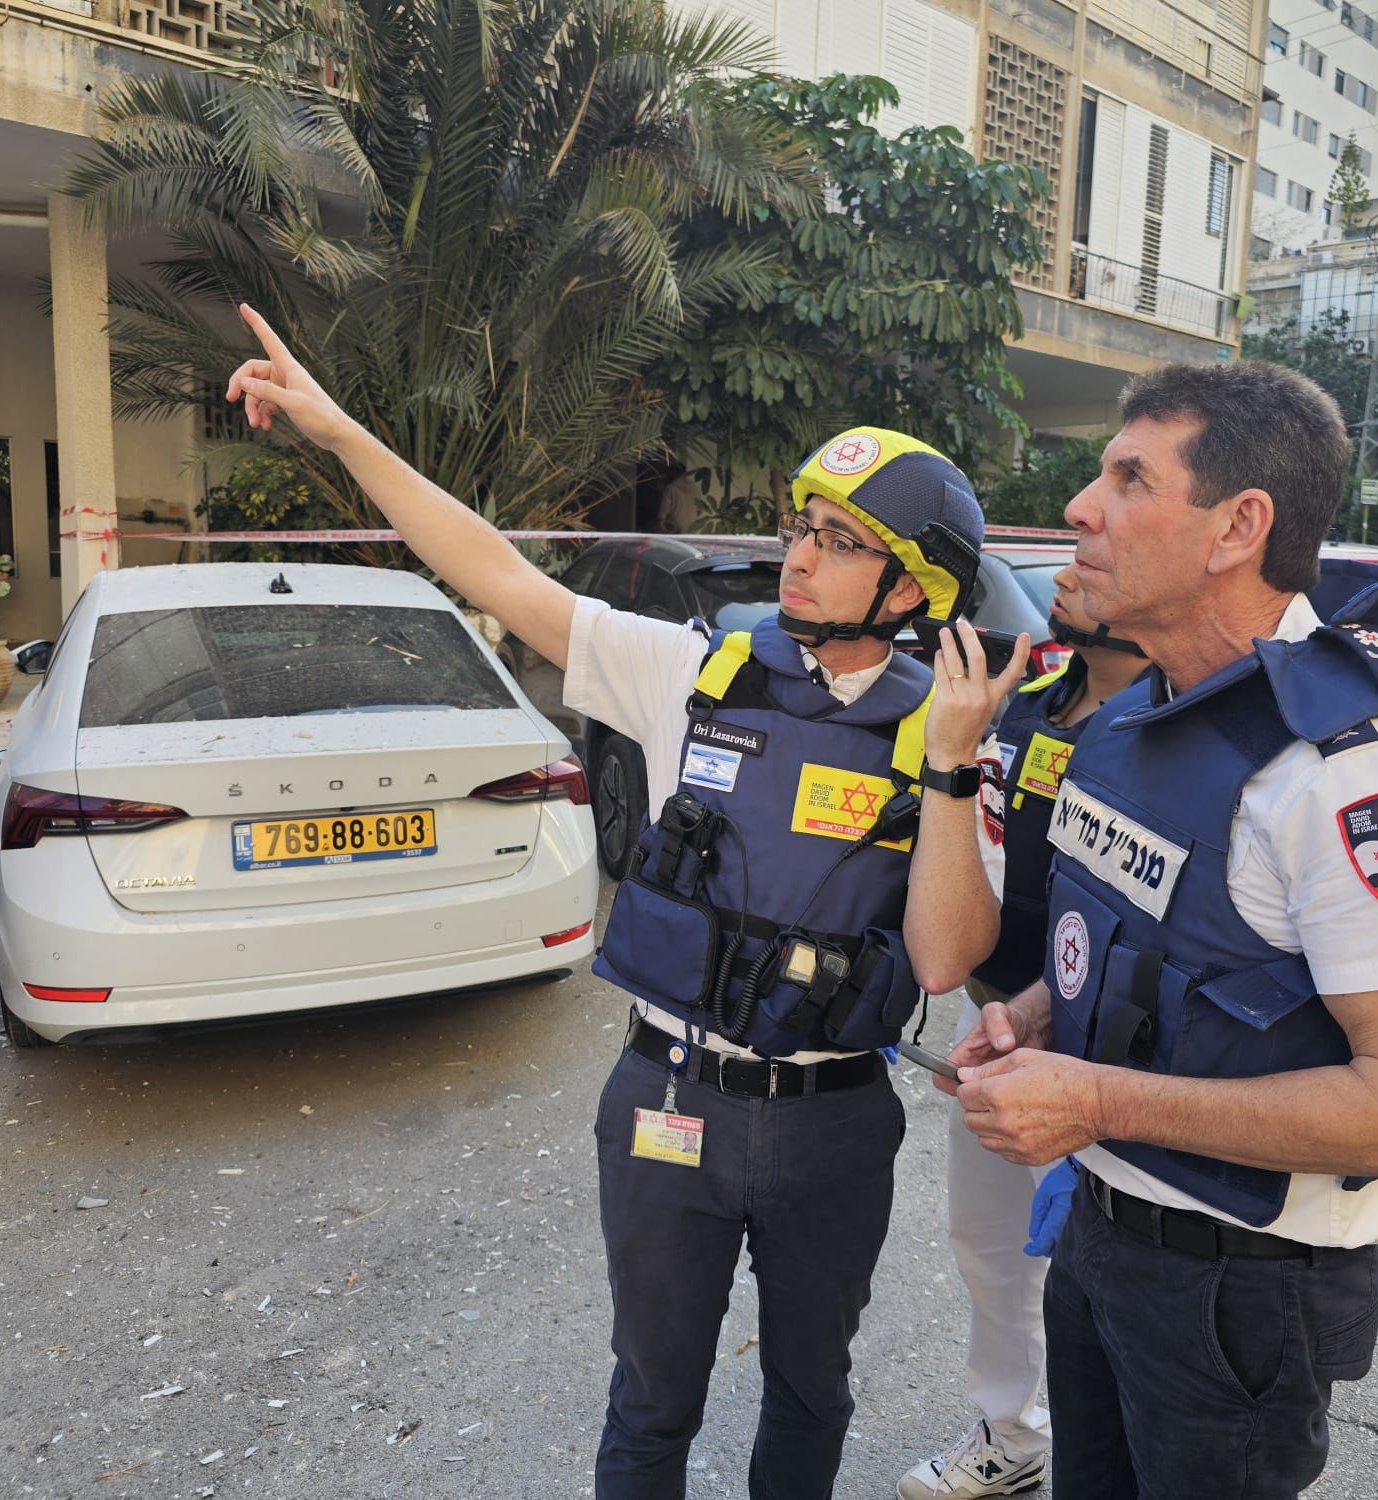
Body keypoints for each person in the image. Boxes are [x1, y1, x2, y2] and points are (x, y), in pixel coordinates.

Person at [222, 305, 986, 1500]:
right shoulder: (696, 670)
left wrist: (949, 768)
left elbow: (941, 961)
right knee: (649, 1404)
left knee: (810, 1392)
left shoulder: (946, 730)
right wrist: (340, 433)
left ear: (908, 588)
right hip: (667, 1099)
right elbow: (496, 571)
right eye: (799, 526)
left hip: (831, 1123)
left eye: (838, 541)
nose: (798, 556)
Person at [941, 361, 1378, 1499]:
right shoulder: (1129, 718)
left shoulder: (1360, 774)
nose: (1079, 508)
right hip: (1098, 1232)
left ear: (1236, 528)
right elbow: (1156, 941)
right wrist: (1040, 1015)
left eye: (1128, 479)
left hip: (1239, 1290)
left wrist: (1096, 1099)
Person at [895, 578, 1147, 1499]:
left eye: (1097, 549)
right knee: (990, 1245)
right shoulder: (1034, 704)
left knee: (1110, 1279)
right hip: (999, 1020)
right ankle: (1013, 1433)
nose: (1071, 563)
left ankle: (1118, 1456)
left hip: (1113, 1051)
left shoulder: (1176, 720)